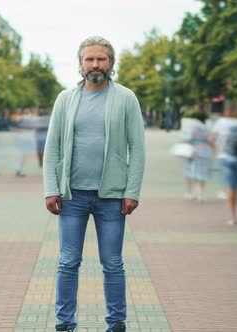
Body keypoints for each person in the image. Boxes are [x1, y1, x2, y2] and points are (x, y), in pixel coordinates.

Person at [43, 36, 145, 332]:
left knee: (112, 263)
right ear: (80, 63)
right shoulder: (65, 99)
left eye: (101, 59)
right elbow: (52, 148)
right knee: (68, 262)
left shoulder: (126, 98)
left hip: (111, 196)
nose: (95, 64)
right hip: (72, 196)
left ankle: (116, 324)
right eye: (89, 59)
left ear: (111, 64)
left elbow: (137, 148)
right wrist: (51, 188)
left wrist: (132, 191)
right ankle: (64, 323)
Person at [210, 102, 237, 225]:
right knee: (236, 185)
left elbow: (212, 138)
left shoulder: (221, 122)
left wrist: (217, 151)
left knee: (230, 187)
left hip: (224, 157)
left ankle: (233, 216)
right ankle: (236, 200)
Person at [183, 112, 212, 202]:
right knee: (202, 172)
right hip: (205, 151)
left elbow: (187, 138)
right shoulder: (207, 128)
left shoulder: (192, 127)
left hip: (193, 151)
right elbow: (210, 139)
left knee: (189, 170)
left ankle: (189, 192)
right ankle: (200, 193)